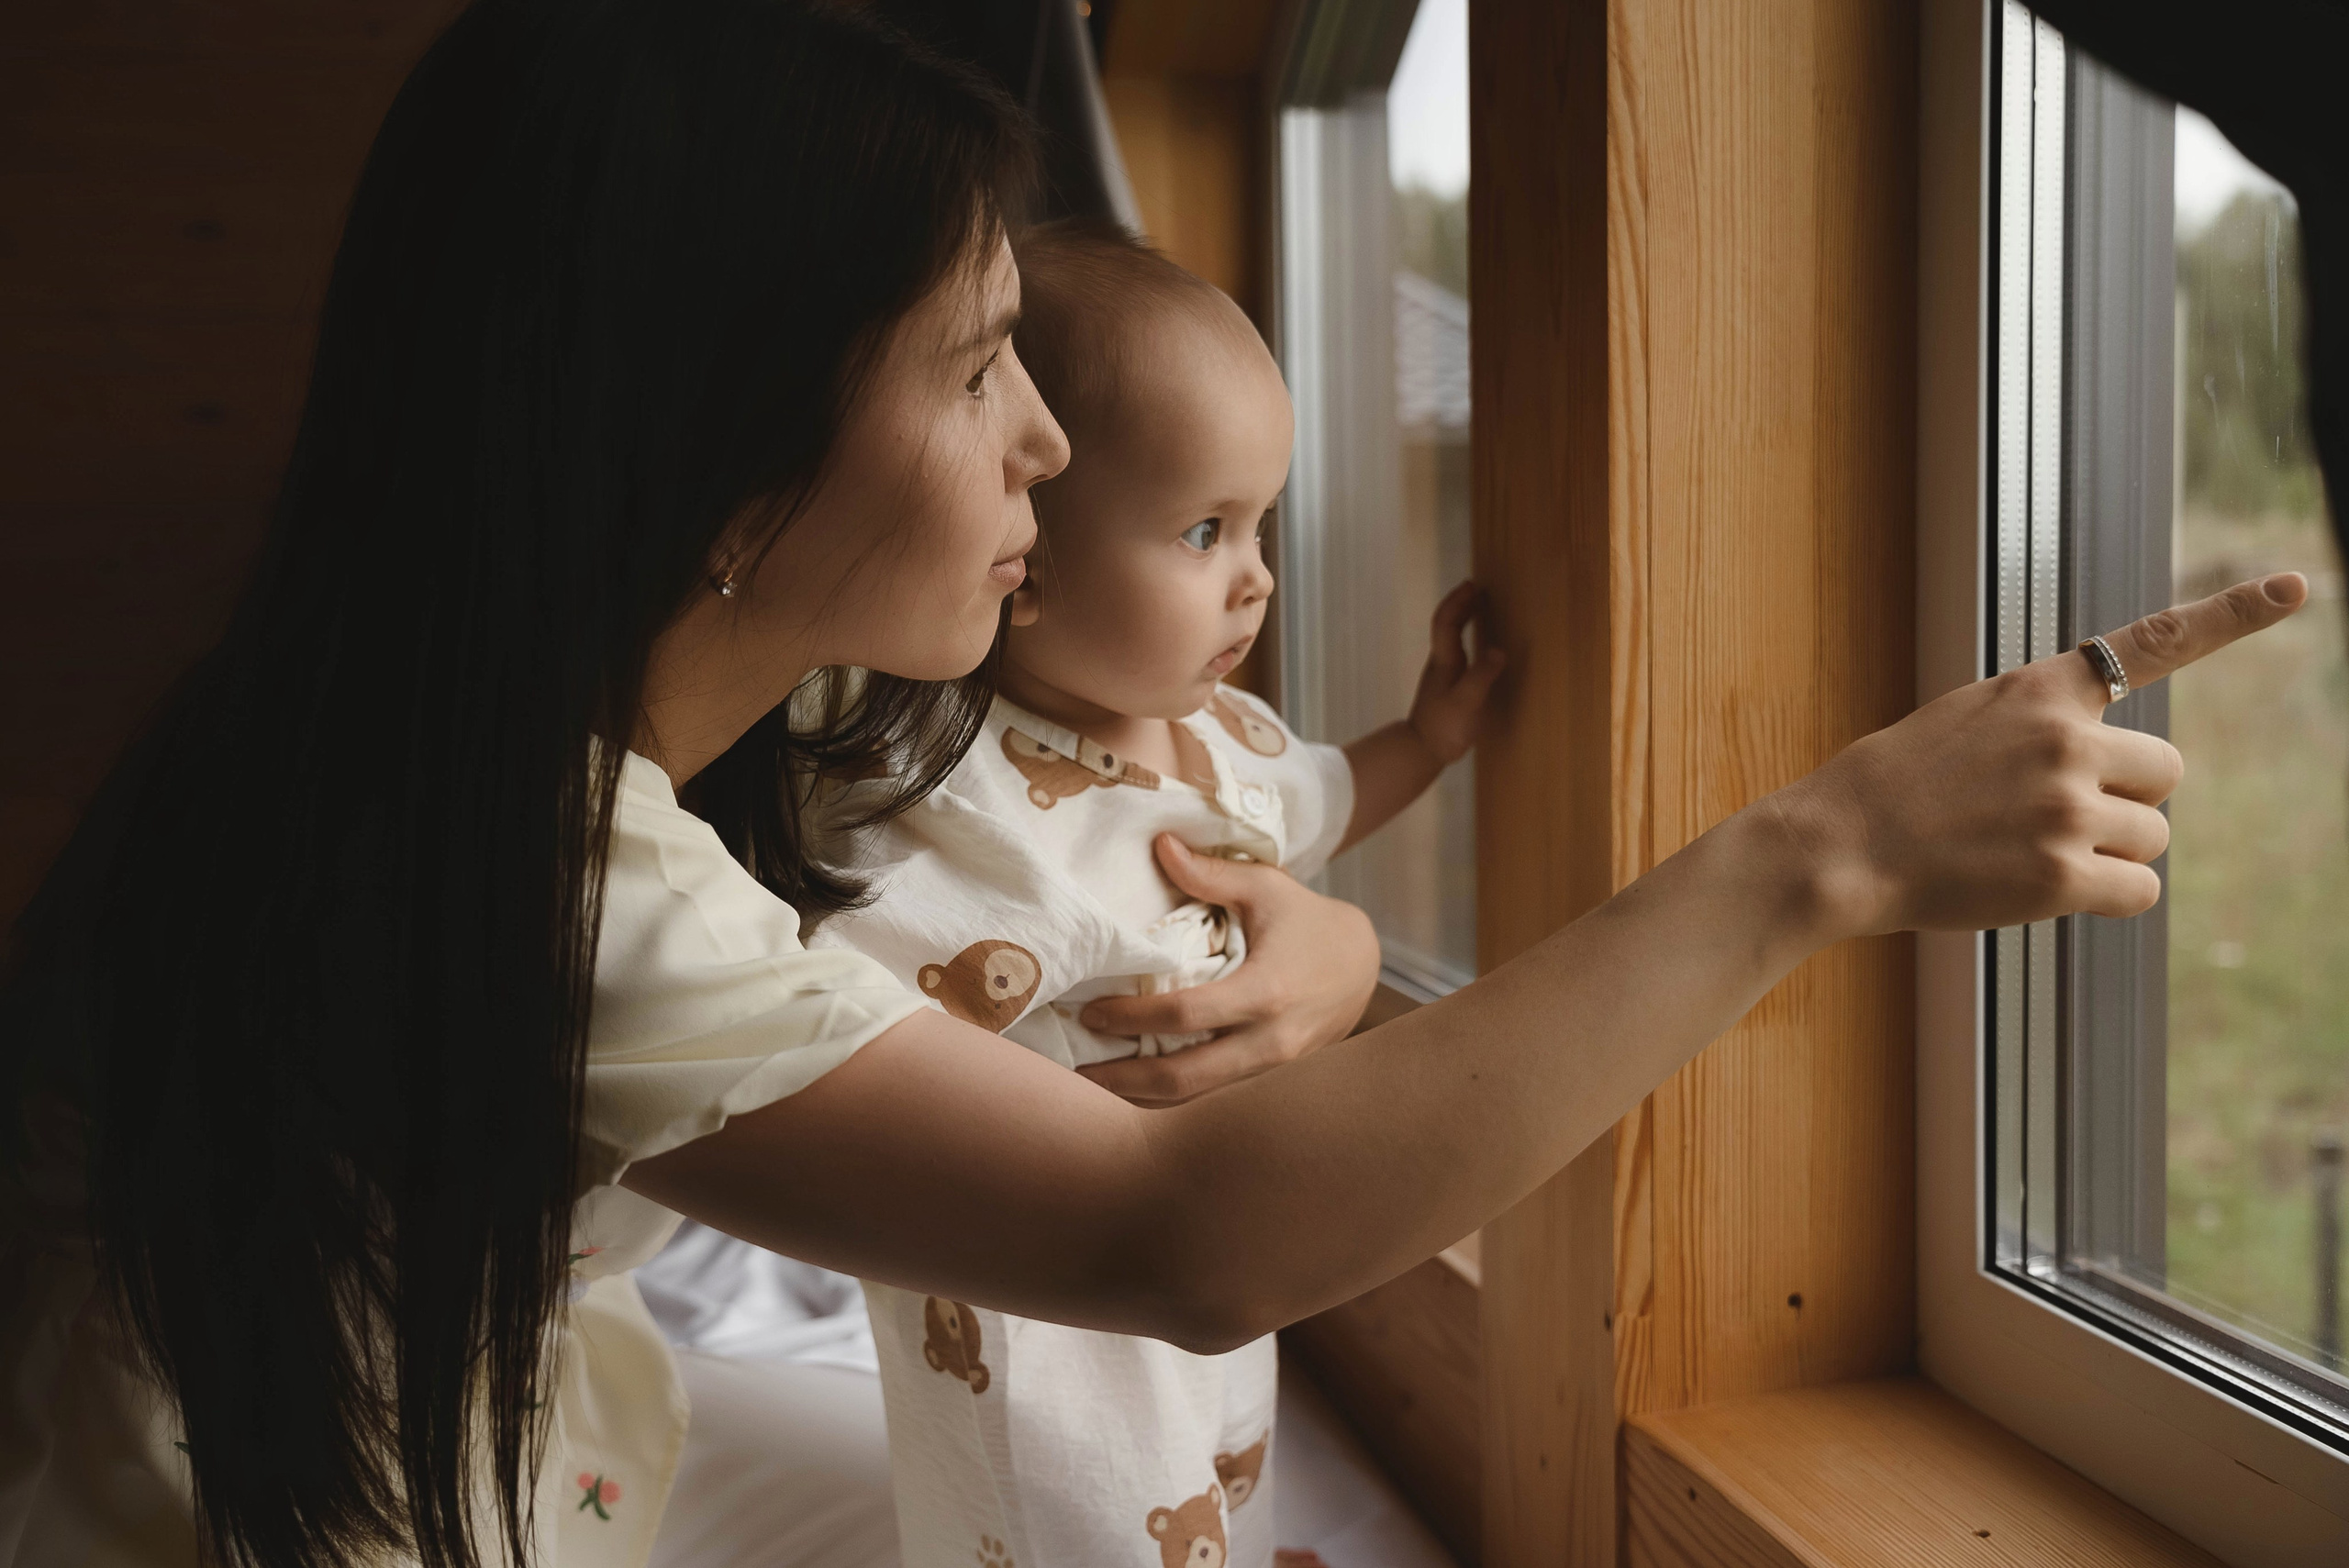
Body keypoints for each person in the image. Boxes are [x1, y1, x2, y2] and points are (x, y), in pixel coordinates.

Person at [0, 5, 2305, 1568]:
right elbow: (1183, 1244)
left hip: (509, 1414)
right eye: (984, 363)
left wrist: (1302, 941)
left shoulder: (582, 719)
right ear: (710, 463)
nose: (1045, 444)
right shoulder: (522, 872)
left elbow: (1098, 854)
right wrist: (1826, 848)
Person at [788, 220, 1499, 1568]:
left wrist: (1432, 739)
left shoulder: (1224, 732)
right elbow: (826, 922)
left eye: (1260, 524)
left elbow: (1328, 793)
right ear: (1030, 564)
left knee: (1223, 1444)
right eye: (1201, 529)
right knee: (1074, 1510)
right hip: (1036, 1293)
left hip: (1217, 1232)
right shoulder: (937, 773)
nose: (1257, 576)